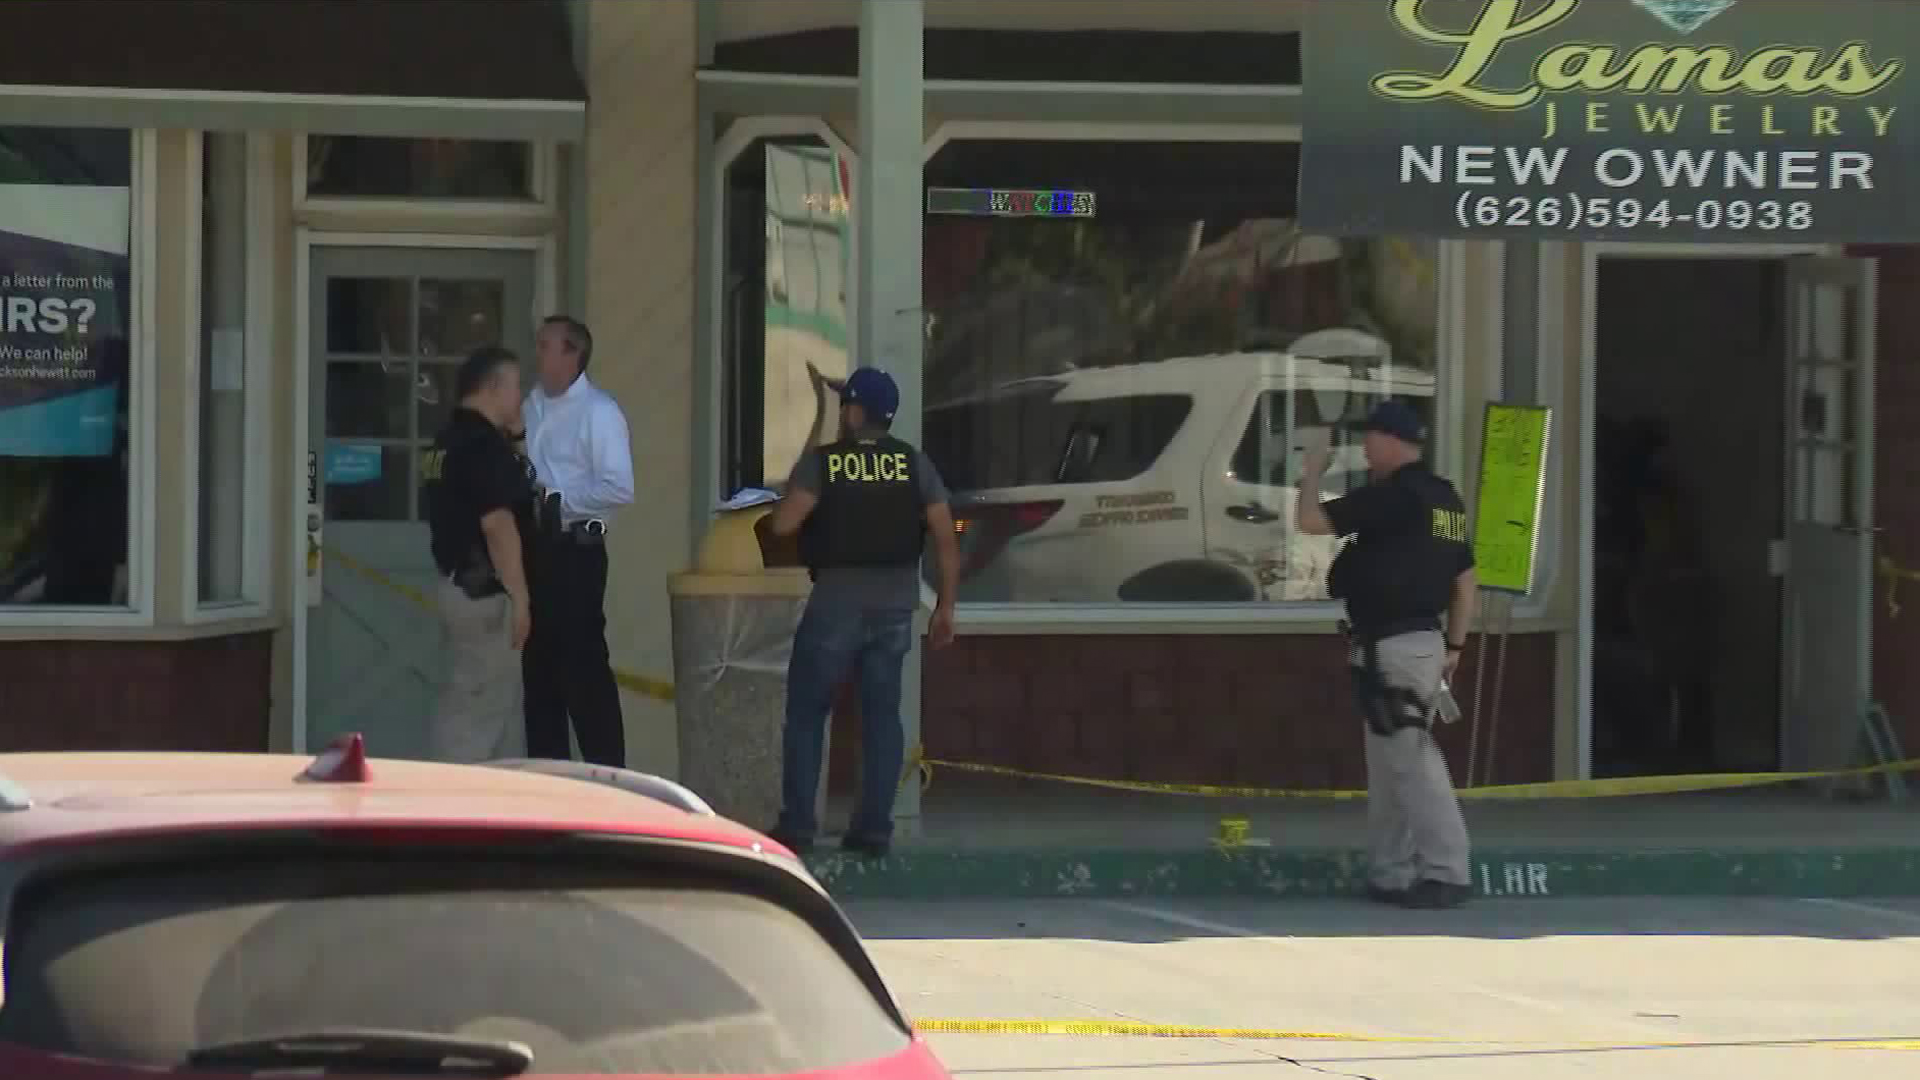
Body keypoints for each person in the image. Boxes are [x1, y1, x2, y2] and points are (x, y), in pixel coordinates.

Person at [764, 367, 961, 857]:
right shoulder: (913, 463)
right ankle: (874, 829)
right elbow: (944, 537)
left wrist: (806, 464)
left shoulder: (824, 464)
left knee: (808, 714)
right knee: (881, 717)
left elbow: (784, 525)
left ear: (852, 411)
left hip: (835, 605)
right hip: (896, 608)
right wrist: (946, 608)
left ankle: (798, 827)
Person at [1296, 400, 1477, 909]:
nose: (1365, 449)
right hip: (1414, 644)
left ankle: (1447, 871)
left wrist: (1312, 470)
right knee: (1391, 763)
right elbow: (1465, 581)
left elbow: (1309, 521)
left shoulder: (1394, 498)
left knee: (1412, 762)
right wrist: (1456, 646)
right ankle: (1392, 872)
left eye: (1370, 438)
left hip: (1396, 646)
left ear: (1391, 440)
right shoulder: (1445, 500)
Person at [521, 315, 635, 766]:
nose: (539, 353)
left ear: (572, 355)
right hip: (536, 550)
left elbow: (618, 487)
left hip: (576, 551)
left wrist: (558, 501)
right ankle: (548, 783)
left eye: (547, 345)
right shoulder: (531, 406)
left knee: (582, 672)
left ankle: (610, 778)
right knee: (540, 673)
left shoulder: (599, 412)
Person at [422, 345, 536, 763]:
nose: (520, 396)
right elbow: (498, 525)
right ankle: (449, 811)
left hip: (459, 587)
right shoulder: (481, 446)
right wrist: (520, 597)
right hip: (485, 594)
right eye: (515, 385)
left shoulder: (446, 441)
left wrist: (519, 437)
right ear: (493, 387)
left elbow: (526, 485)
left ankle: (501, 811)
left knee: (500, 718)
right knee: (473, 719)